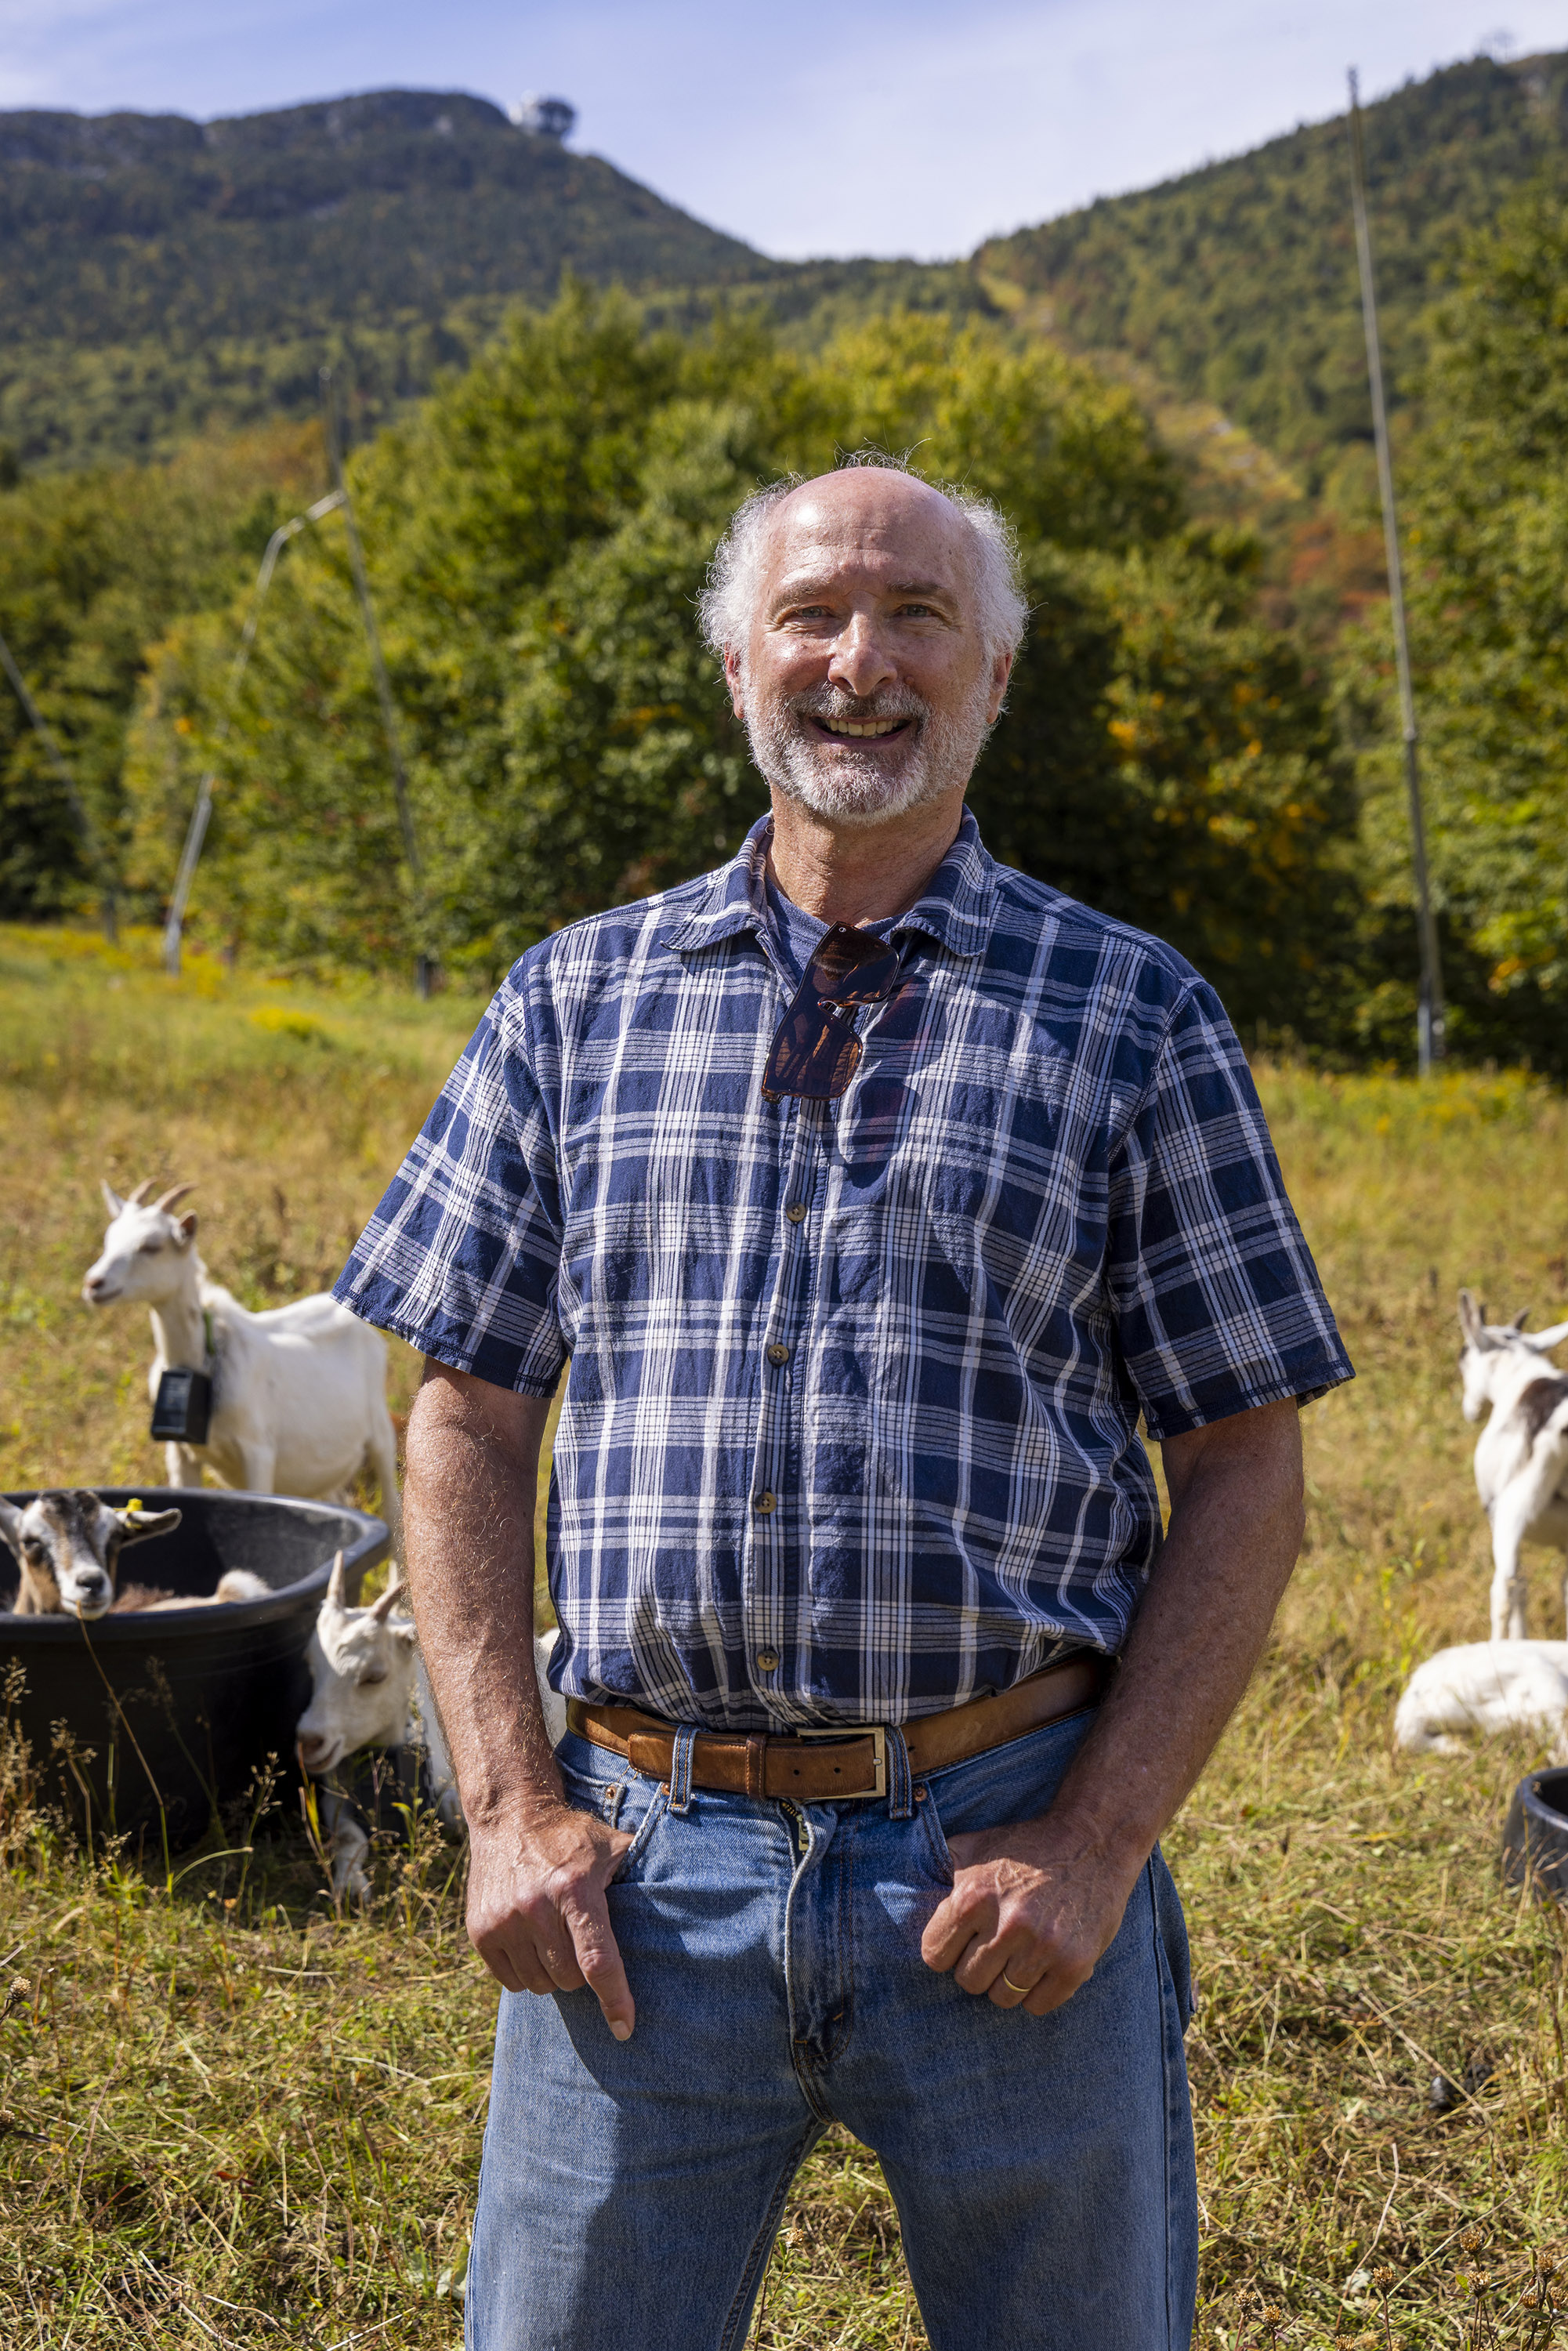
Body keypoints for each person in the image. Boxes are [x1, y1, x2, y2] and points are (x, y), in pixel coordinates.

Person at [334, 456, 1352, 2351]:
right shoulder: (575, 1001)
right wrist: (501, 1807)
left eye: (915, 618)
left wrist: (1099, 1841)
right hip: (635, 1875)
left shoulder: (1133, 1016)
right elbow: (464, 1407)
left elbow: (1241, 1457)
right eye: (810, 615)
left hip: (1006, 1864)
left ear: (992, 677)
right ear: (736, 664)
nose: (856, 661)